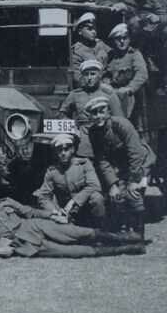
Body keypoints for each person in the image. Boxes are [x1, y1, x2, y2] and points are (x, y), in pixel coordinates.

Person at [0, 177, 144, 259]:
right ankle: (130, 249)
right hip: (23, 244)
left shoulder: (6, 202)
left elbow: (29, 212)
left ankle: (127, 238)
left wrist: (52, 214)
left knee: (80, 232)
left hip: (36, 226)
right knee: (76, 252)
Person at [84, 95, 153, 240]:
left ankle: (139, 234)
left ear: (108, 111)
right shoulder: (94, 132)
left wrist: (134, 180)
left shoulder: (121, 124)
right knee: (117, 196)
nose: (99, 116)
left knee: (134, 194)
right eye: (94, 113)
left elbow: (136, 152)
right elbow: (102, 160)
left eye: (101, 111)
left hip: (141, 163)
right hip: (121, 166)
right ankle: (125, 231)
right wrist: (112, 184)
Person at [32, 133, 110, 229]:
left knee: (96, 197)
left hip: (85, 208)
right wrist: (54, 211)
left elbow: (94, 185)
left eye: (66, 149)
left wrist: (74, 201)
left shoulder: (84, 164)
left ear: (72, 149)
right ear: (56, 153)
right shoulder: (52, 171)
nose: (63, 153)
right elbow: (43, 196)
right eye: (59, 150)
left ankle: (100, 230)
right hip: (66, 213)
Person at [59, 60, 125, 158]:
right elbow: (62, 114)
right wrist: (72, 126)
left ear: (99, 76)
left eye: (93, 74)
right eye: (86, 75)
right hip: (83, 140)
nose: (89, 78)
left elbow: (120, 120)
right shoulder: (75, 94)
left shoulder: (109, 94)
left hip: (104, 139)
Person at [102, 22, 149, 120]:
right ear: (113, 41)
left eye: (125, 38)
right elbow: (105, 74)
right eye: (118, 39)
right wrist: (106, 82)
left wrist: (130, 88)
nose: (122, 41)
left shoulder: (134, 54)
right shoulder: (110, 56)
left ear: (129, 39)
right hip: (112, 95)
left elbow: (142, 74)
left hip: (130, 97)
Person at [70, 12, 111, 76]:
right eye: (90, 29)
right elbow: (77, 76)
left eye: (95, 28)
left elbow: (112, 61)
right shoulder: (76, 51)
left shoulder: (101, 44)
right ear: (80, 31)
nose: (94, 31)